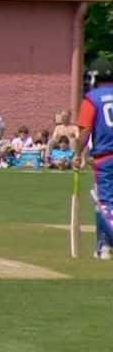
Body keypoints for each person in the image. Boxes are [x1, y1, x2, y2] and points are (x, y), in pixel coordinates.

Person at [74, 57, 113, 260]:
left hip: (105, 157)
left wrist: (77, 154)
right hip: (105, 156)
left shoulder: (92, 98)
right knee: (101, 200)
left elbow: (85, 131)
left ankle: (106, 244)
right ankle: (103, 245)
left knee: (105, 204)